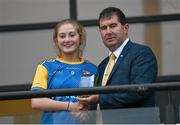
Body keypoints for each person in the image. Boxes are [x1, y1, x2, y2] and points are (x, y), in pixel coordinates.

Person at [77, 7, 158, 123]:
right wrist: (86, 111)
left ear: (125, 28)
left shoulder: (142, 54)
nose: (108, 32)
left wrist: (100, 98)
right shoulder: (103, 65)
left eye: (113, 26)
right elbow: (100, 103)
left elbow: (140, 90)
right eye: (104, 28)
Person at [31, 19, 98, 124]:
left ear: (80, 38)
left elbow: (96, 103)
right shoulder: (46, 67)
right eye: (62, 36)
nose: (67, 40)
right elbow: (36, 102)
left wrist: (86, 112)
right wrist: (70, 106)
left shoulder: (93, 69)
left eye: (72, 35)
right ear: (56, 41)